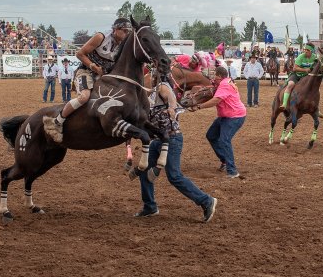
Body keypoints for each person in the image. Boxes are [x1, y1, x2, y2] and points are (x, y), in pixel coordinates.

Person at [134, 72, 217, 222]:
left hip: (172, 139)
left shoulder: (163, 87)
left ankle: (206, 200)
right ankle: (150, 206)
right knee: (145, 171)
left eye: (153, 74)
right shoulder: (152, 93)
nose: (150, 76)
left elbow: (170, 98)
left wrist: (172, 107)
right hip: (158, 140)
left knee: (174, 175)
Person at [45, 18, 132, 142]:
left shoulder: (123, 46)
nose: (127, 34)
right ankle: (58, 121)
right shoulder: (101, 37)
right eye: (124, 31)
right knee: (84, 97)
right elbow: (80, 54)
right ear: (115, 30)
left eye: (129, 32)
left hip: (104, 76)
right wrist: (93, 67)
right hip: (85, 71)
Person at [189, 67, 246, 179]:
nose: (213, 77)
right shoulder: (227, 81)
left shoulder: (224, 84)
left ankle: (232, 171)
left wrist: (199, 106)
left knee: (224, 140)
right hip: (228, 116)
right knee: (211, 135)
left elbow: (216, 100)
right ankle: (225, 161)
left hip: (234, 116)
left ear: (219, 76)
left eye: (215, 74)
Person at [280, 43, 316, 111]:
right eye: (305, 49)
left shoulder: (314, 57)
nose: (305, 51)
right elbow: (294, 68)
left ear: (311, 51)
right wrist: (305, 70)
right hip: (297, 75)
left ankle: (316, 108)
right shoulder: (300, 57)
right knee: (290, 85)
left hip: (306, 77)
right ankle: (284, 104)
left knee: (315, 89)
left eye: (307, 50)